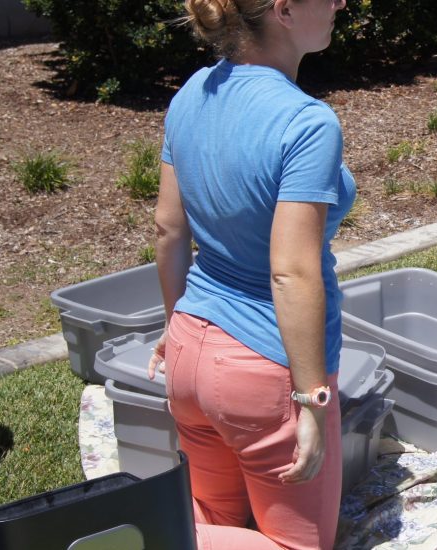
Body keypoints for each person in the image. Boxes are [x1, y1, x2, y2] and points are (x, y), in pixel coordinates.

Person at [149, 0, 352, 548]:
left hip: (189, 350)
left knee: (215, 523)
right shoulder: (306, 122)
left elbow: (170, 232)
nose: (339, 4)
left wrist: (175, 331)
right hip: (263, 373)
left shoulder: (193, 92)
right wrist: (313, 400)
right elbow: (291, 272)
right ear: (284, 11)